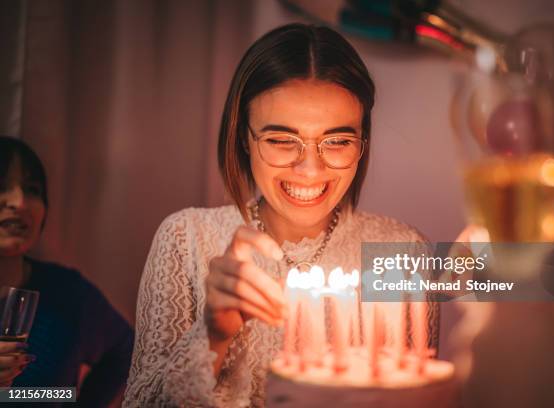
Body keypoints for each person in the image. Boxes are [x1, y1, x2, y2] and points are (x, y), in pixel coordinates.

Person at [124, 23, 438, 407]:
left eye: (337, 141)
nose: (309, 169)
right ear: (244, 136)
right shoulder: (186, 238)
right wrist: (213, 335)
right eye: (281, 140)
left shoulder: (401, 253)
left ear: (362, 142)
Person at [0, 136, 134, 406]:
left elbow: (125, 350)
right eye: (2, 186)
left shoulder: (68, 293)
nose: (20, 202)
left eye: (32, 189)